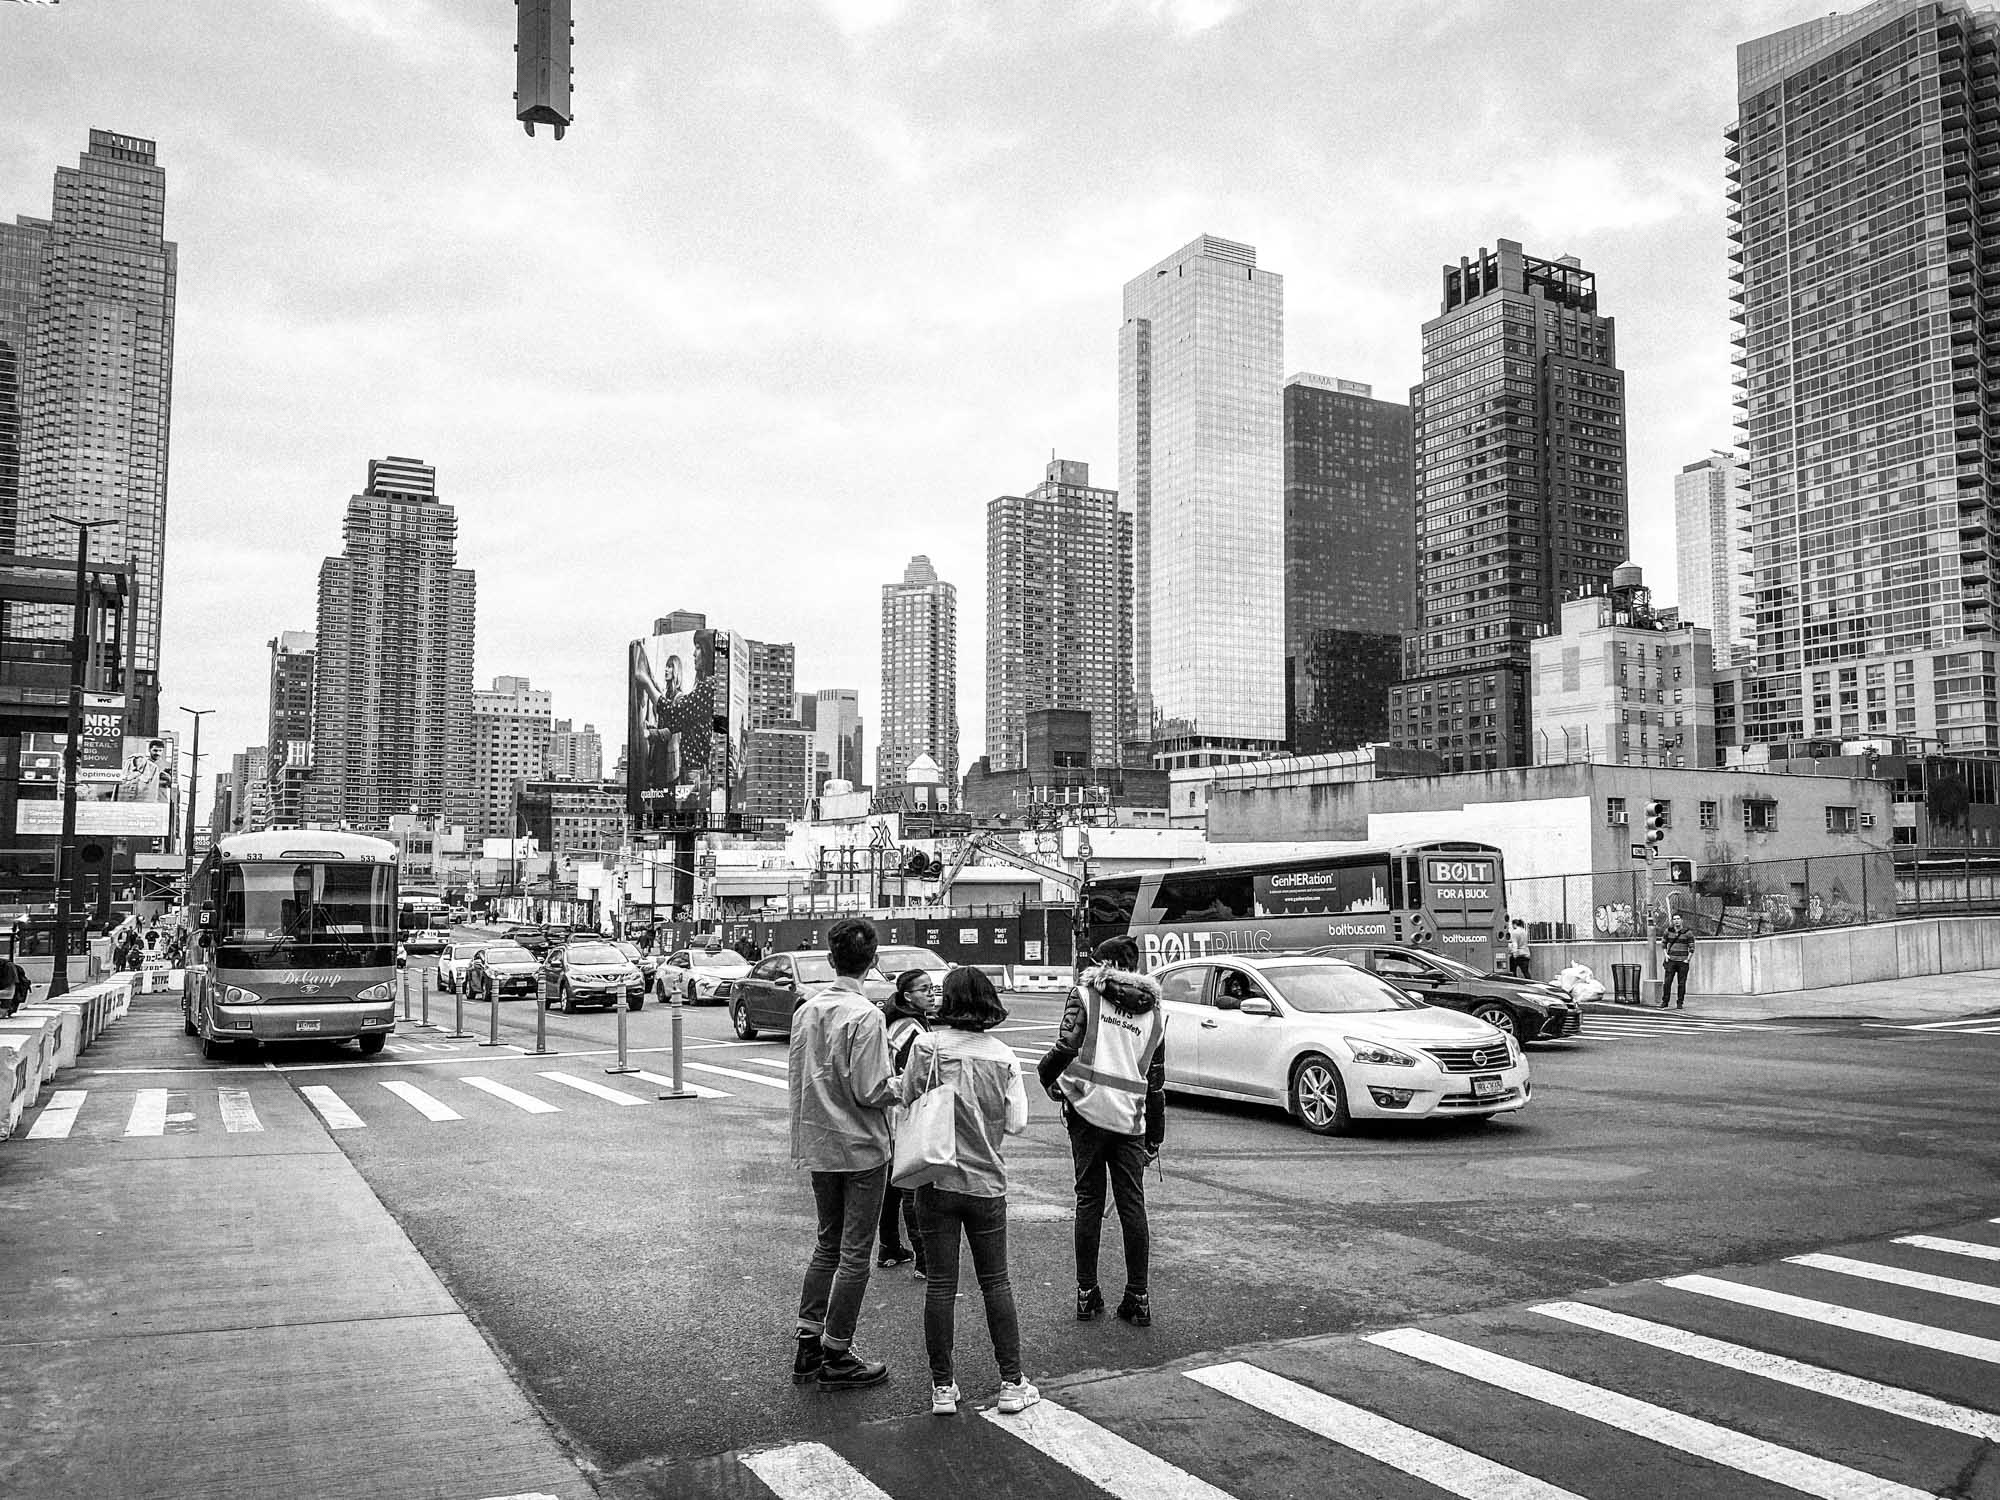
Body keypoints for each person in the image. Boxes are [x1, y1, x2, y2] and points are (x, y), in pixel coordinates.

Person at [902, 965, 1036, 1417]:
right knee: (995, 1283)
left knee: (941, 1286)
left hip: (936, 1178)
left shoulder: (927, 1046)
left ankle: (943, 1387)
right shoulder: (1005, 1056)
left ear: (950, 1001)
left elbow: (907, 1098)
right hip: (986, 1184)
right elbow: (1017, 1124)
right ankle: (1011, 1383)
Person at [787, 916, 898, 1391]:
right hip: (861, 1148)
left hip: (818, 1142)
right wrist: (911, 1083)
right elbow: (873, 1088)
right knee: (855, 1254)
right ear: (872, 962)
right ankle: (837, 1352)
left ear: (831, 960)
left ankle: (808, 1344)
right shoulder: (867, 1015)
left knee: (826, 1245)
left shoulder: (806, 1011)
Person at [1038, 934, 1166, 1329]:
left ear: (1102, 965)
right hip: (1130, 1120)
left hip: (1087, 1113)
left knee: (1089, 1201)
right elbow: (1156, 1080)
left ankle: (1086, 1293)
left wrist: (1047, 1080)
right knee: (1132, 1205)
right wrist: (1154, 1137)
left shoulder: (1085, 995)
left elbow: (1064, 1048)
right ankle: (1138, 1297)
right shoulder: (1155, 1013)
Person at [876, 969, 936, 1277]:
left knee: (893, 1185)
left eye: (931, 988)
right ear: (907, 996)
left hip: (892, 1115)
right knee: (913, 1184)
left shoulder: (905, 1020)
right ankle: (925, 1258)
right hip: (905, 1114)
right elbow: (913, 1077)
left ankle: (889, 1247)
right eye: (923, 990)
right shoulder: (910, 1027)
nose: (931, 994)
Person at [1661, 915, 1695, 1009]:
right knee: (1667, 982)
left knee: (1681, 983)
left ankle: (1680, 1002)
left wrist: (1687, 959)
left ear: (1682, 920)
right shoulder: (1668, 931)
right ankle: (1665, 1001)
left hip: (1682, 962)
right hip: (1671, 960)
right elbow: (1663, 943)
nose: (1676, 921)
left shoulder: (1688, 933)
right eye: (1674, 919)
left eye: (1678, 919)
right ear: (1672, 921)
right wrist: (1666, 955)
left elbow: (1692, 947)